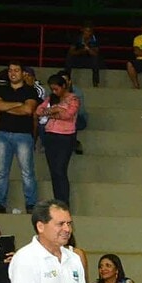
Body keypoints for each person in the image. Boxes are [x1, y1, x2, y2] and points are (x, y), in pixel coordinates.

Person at [0, 62, 41, 214]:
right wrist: (18, 104)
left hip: (23, 135)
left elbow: (28, 110)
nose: (13, 73)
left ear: (23, 73)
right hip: (2, 134)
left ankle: (31, 204)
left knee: (27, 171)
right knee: (1, 171)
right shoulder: (0, 88)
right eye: (10, 70)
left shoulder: (30, 91)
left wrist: (6, 106)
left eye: (16, 70)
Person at [35, 74, 81, 207]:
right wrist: (55, 110)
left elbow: (68, 114)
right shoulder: (51, 98)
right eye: (52, 89)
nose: (54, 92)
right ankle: (58, 200)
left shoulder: (73, 99)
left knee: (60, 170)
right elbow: (39, 110)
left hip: (65, 137)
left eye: (56, 89)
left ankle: (64, 202)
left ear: (64, 86)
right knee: (53, 170)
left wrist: (53, 110)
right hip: (50, 135)